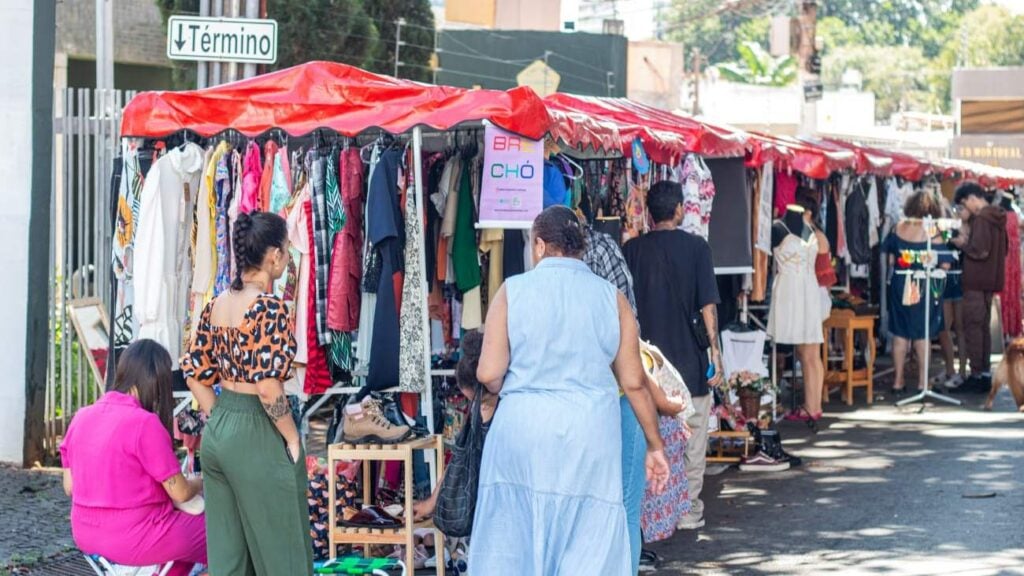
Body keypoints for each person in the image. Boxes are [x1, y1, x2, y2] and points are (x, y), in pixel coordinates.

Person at [469, 206, 670, 575]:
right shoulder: (612, 298)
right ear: (580, 248)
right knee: (588, 539)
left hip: (523, 432)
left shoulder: (512, 291)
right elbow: (633, 382)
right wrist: (655, 445)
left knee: (515, 535)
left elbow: (489, 373)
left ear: (541, 246)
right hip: (589, 434)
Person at [181, 211, 313, 575]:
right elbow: (269, 390)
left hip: (220, 430)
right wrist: (292, 440)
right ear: (273, 255)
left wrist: (220, 416)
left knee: (229, 559)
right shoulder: (268, 307)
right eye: (286, 250)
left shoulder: (216, 304)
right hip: (258, 430)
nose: (287, 257)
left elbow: (194, 374)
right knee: (284, 553)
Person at [581, 221, 681, 573]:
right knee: (624, 502)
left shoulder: (530, 289)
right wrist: (658, 432)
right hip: (620, 398)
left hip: (595, 403)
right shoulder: (607, 264)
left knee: (603, 504)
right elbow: (633, 371)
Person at [61, 340, 206, 576]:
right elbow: (180, 492)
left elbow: (70, 486)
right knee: (226, 536)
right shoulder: (144, 423)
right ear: (158, 380)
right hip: (137, 537)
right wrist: (201, 481)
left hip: (86, 537)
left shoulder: (81, 417)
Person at [624, 180, 722, 531]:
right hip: (691, 364)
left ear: (649, 213)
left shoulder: (632, 251)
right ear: (680, 209)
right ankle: (687, 510)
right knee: (693, 443)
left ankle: (650, 514)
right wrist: (716, 355)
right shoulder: (698, 248)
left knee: (654, 441)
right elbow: (707, 305)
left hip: (648, 371)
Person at [411, 329, 496, 522]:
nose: (474, 408)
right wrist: (432, 502)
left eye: (478, 401)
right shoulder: (482, 414)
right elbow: (460, 456)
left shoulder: (505, 417)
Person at [883, 191, 950, 394]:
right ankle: (922, 381)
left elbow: (890, 261)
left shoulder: (898, 227)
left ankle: (898, 380)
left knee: (900, 331)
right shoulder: (933, 230)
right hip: (923, 283)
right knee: (923, 332)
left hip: (901, 282)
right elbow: (946, 263)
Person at [952, 182, 1008, 392]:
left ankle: (977, 375)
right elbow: (1002, 250)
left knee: (973, 328)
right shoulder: (997, 217)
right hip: (989, 281)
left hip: (976, 282)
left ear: (972, 198)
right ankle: (983, 373)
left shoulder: (983, 219)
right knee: (981, 328)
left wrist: (962, 244)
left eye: (963, 204)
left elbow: (980, 250)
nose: (964, 209)